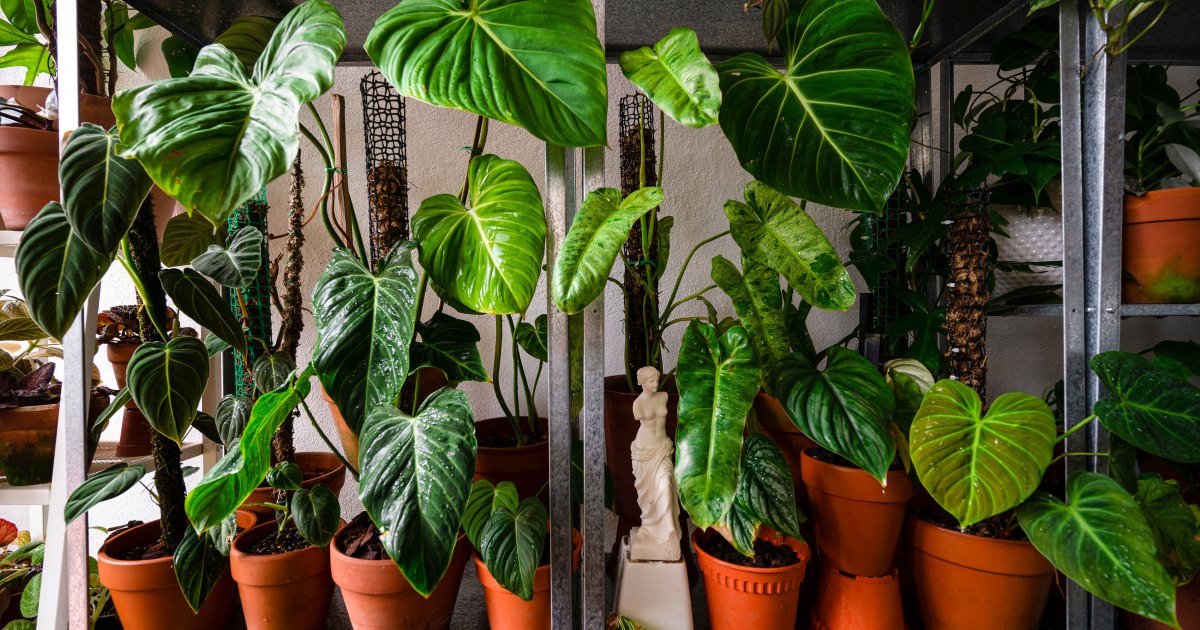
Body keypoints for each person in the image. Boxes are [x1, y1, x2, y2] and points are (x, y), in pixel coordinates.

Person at [629, 366, 681, 561]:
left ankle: (668, 532)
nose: (655, 384)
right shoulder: (638, 405)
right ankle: (650, 527)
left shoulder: (663, 397)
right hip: (644, 452)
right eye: (651, 381)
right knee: (649, 497)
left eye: (656, 380)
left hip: (662, 449)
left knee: (666, 484)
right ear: (642, 382)